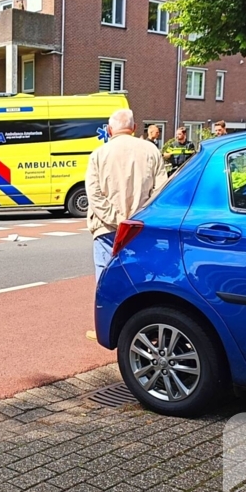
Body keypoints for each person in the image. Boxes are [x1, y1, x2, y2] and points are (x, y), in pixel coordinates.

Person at [85, 109, 168, 340]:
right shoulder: (151, 151)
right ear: (134, 127)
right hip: (141, 229)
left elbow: (94, 194)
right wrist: (138, 218)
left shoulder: (99, 154)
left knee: (105, 280)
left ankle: (107, 329)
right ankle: (148, 328)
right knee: (146, 277)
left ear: (109, 130)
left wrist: (116, 219)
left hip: (107, 229)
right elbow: (161, 191)